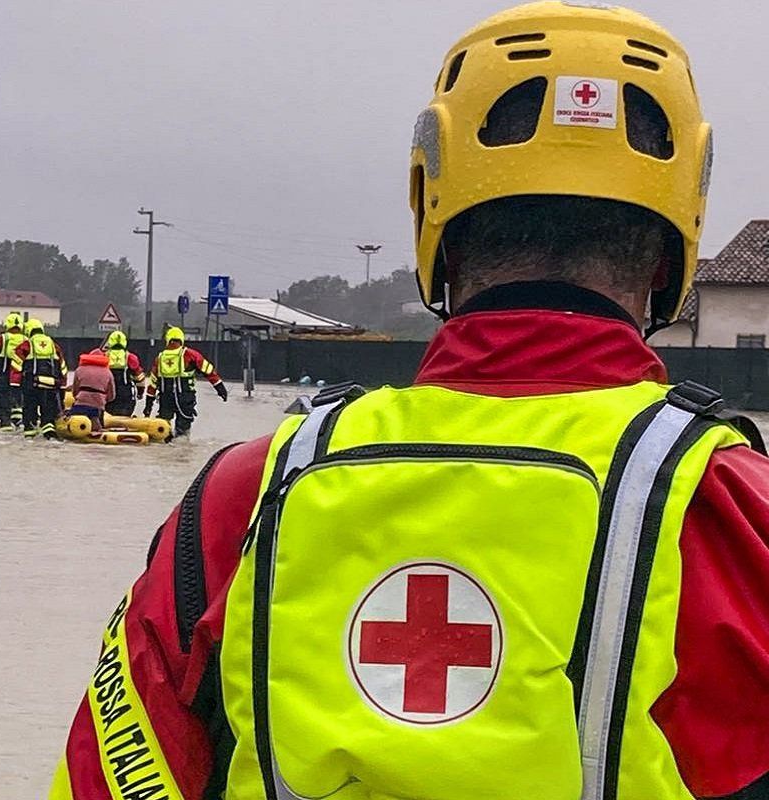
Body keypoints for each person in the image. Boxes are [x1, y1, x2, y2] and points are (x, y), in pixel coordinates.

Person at [48, 4, 769, 799]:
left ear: (437, 222)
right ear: (675, 252)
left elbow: (104, 779)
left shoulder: (239, 501)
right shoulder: (740, 516)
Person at [143, 326, 227, 439]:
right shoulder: (190, 354)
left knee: (163, 430)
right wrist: (221, 389)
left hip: (165, 399)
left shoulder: (160, 358)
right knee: (183, 434)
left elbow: (152, 384)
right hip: (185, 398)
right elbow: (208, 371)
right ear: (181, 340)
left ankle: (166, 444)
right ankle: (181, 452)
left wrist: (148, 407)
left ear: (168, 340)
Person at [9, 318, 67, 439]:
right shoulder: (54, 345)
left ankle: (30, 436)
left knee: (30, 412)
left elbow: (16, 365)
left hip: (31, 386)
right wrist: (62, 386)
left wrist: (15, 385)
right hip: (50, 386)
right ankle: (49, 435)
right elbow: (63, 367)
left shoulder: (26, 345)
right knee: (48, 414)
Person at [100, 330, 146, 417]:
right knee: (124, 416)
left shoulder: (104, 356)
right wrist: (140, 393)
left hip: (108, 394)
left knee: (108, 417)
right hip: (126, 394)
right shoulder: (130, 357)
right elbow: (139, 378)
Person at [68, 349, 117, 430]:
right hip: (98, 406)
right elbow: (112, 395)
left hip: (80, 404)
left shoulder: (79, 369)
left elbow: (75, 391)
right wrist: (103, 400)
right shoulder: (108, 373)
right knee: (97, 426)